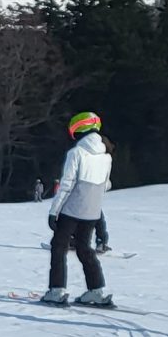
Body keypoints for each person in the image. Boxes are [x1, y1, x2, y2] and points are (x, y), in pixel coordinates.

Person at [43, 111, 114, 306]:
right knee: (85, 249)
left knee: (59, 247)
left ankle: (56, 290)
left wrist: (54, 212)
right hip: (92, 212)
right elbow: (106, 185)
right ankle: (96, 291)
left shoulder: (76, 153)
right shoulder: (106, 156)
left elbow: (67, 185)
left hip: (72, 210)